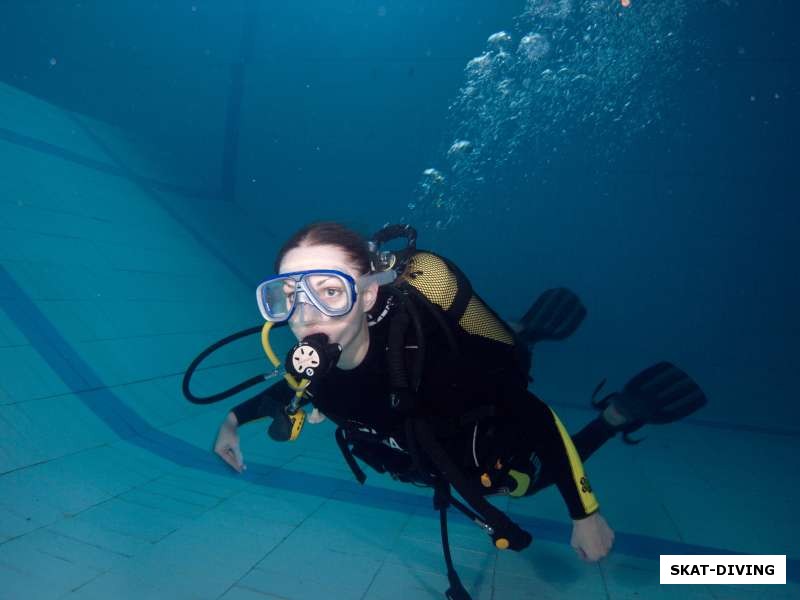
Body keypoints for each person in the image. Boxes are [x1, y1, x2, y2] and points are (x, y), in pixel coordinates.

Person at [210, 221, 706, 593]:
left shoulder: (427, 360)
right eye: (289, 294)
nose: (307, 313)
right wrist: (232, 422)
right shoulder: (312, 362)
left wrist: (585, 512)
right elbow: (292, 389)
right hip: (420, 456)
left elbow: (536, 416)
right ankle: (523, 335)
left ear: (368, 296)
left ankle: (612, 416)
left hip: (480, 440)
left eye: (331, 291)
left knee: (527, 484)